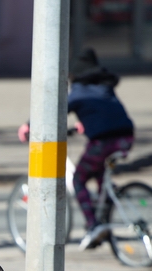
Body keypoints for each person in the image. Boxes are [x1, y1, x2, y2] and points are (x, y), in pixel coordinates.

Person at [18, 48, 135, 250]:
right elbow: (104, 112)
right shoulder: (105, 87)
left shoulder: (78, 92)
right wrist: (85, 125)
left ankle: (94, 225)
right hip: (126, 136)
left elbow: (54, 109)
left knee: (78, 178)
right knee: (99, 172)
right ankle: (106, 202)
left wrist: (29, 125)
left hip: (103, 141)